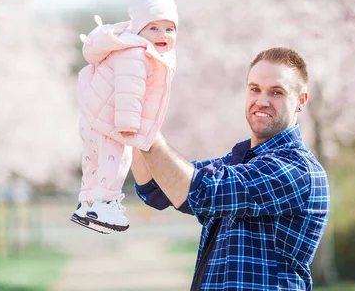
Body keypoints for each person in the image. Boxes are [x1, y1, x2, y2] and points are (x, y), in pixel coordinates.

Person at [132, 47, 330, 290]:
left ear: (300, 101)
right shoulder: (238, 162)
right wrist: (132, 121)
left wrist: (143, 124)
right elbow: (156, 187)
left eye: (276, 92)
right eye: (255, 89)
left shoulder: (296, 169)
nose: (262, 101)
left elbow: (200, 191)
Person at [71, 0, 179, 234]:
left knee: (93, 163)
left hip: (93, 117)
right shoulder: (135, 53)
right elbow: (128, 89)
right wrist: (129, 124)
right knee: (117, 160)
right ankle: (105, 205)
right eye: (153, 28)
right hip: (112, 121)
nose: (162, 34)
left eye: (169, 29)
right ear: (138, 29)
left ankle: (86, 204)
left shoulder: (128, 48)